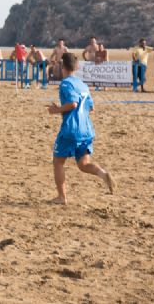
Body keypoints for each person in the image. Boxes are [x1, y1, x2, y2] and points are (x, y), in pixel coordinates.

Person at [46, 53, 115, 205]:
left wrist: (56, 110)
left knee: (58, 162)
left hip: (71, 129)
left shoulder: (65, 84)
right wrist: (66, 109)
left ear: (62, 67)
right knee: (83, 164)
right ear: (76, 67)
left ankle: (61, 197)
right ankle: (103, 174)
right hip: (86, 129)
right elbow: (91, 108)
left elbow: (73, 104)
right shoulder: (82, 84)